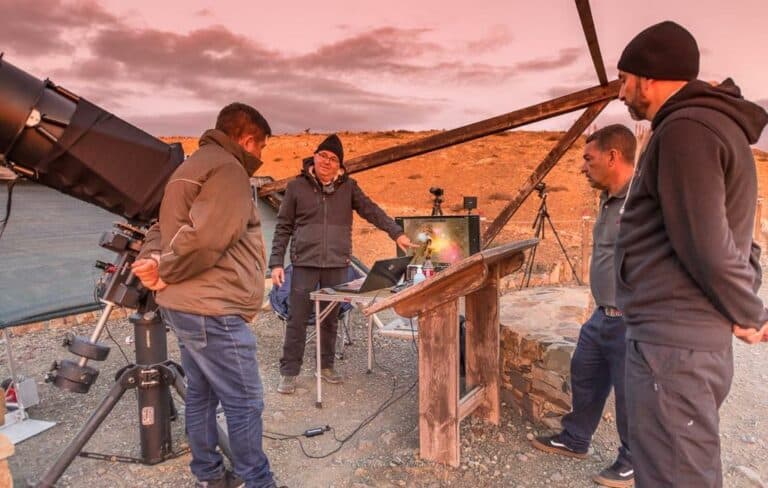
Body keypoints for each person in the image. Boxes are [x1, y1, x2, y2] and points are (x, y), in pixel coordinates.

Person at [614, 21, 768, 487]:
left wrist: (749, 312)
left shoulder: (686, 131)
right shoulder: (710, 127)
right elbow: (743, 238)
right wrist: (742, 302)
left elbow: (707, 243)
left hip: (672, 346)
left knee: (677, 476)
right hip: (681, 342)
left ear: (649, 78)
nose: (621, 93)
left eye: (624, 79)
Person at [131, 103, 278, 488]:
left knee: (201, 394)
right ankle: (256, 480)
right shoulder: (228, 170)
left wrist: (154, 260)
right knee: (245, 401)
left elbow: (160, 228)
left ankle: (208, 475)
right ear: (247, 139)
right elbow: (205, 240)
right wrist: (164, 269)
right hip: (214, 309)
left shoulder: (189, 168)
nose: (260, 156)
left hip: (186, 307)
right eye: (261, 147)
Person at [269, 134, 416, 394]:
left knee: (330, 318)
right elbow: (283, 227)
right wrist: (276, 263)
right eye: (323, 155)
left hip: (337, 262)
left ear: (340, 166)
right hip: (304, 262)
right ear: (314, 157)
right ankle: (289, 372)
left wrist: (397, 233)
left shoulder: (349, 187)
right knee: (297, 318)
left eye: (333, 159)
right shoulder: (296, 187)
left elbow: (372, 211)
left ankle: (326, 366)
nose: (327, 161)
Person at [532, 125, 636, 487]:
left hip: (632, 319)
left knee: (631, 393)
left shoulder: (644, 200)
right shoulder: (607, 199)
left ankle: (634, 459)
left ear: (613, 156)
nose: (583, 167)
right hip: (602, 313)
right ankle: (576, 438)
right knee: (585, 372)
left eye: (589, 159)